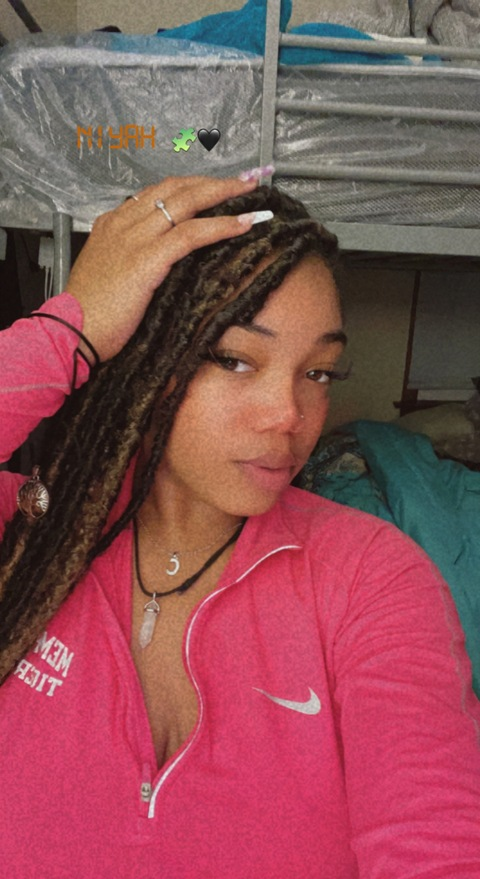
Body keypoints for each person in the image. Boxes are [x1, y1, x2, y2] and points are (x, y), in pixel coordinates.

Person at [0, 172, 479, 879]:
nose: (289, 415)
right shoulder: (24, 533)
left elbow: (437, 838)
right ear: (144, 359)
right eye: (233, 359)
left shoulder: (372, 578)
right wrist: (69, 329)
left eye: (319, 372)